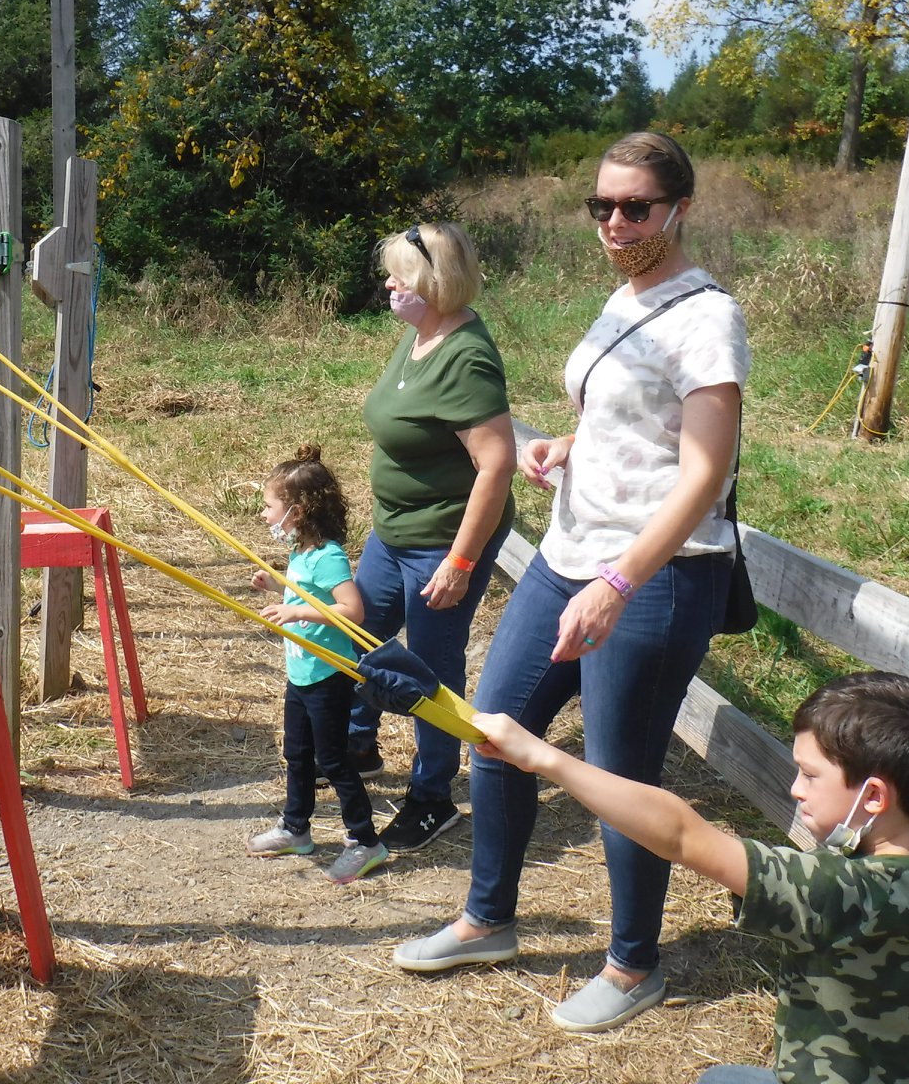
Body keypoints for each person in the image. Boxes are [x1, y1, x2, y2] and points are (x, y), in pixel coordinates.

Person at [393, 131, 749, 1032]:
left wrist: (620, 583)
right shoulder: (624, 297)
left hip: (653, 575)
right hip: (567, 555)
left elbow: (705, 474)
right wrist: (566, 443)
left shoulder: (708, 318)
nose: (616, 223)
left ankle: (633, 967)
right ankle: (488, 919)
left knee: (620, 775)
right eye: (602, 206)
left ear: (680, 208)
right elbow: (629, 419)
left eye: (636, 207)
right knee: (492, 730)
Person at [469, 666, 909, 1082]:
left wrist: (544, 758)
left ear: (873, 796)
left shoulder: (834, 891)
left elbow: (681, 834)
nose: (796, 788)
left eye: (810, 774)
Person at [350, 220, 517, 852]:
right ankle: (359, 743)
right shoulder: (420, 334)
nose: (389, 285)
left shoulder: (466, 356)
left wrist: (461, 562)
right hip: (392, 532)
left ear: (437, 282)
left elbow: (496, 465)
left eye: (402, 276)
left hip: (441, 543)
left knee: (432, 667)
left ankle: (433, 796)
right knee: (358, 631)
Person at [247, 445, 388, 884]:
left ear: (298, 510)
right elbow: (307, 594)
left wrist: (296, 611)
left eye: (269, 506)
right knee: (297, 753)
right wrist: (279, 589)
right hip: (301, 674)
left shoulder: (328, 556)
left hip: (327, 675)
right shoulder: (301, 552)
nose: (264, 515)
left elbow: (352, 610)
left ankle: (365, 840)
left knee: (333, 759)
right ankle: (296, 828)